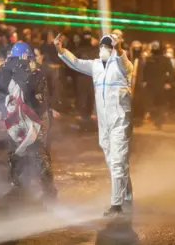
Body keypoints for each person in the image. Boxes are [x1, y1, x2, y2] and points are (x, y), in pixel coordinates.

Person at [55, 33, 133, 217]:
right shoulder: (96, 65)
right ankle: (127, 195)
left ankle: (116, 205)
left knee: (117, 162)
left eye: (107, 46)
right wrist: (61, 50)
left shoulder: (123, 66)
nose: (103, 49)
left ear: (113, 49)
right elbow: (76, 62)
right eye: (102, 46)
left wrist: (119, 47)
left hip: (120, 120)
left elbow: (123, 60)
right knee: (113, 161)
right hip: (104, 123)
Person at [0, 42, 58, 202]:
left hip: (35, 119)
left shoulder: (36, 72)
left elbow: (36, 96)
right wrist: (0, 107)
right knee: (15, 153)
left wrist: (21, 68)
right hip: (17, 119)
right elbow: (0, 87)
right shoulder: (9, 71)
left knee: (39, 154)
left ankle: (48, 190)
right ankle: (19, 186)